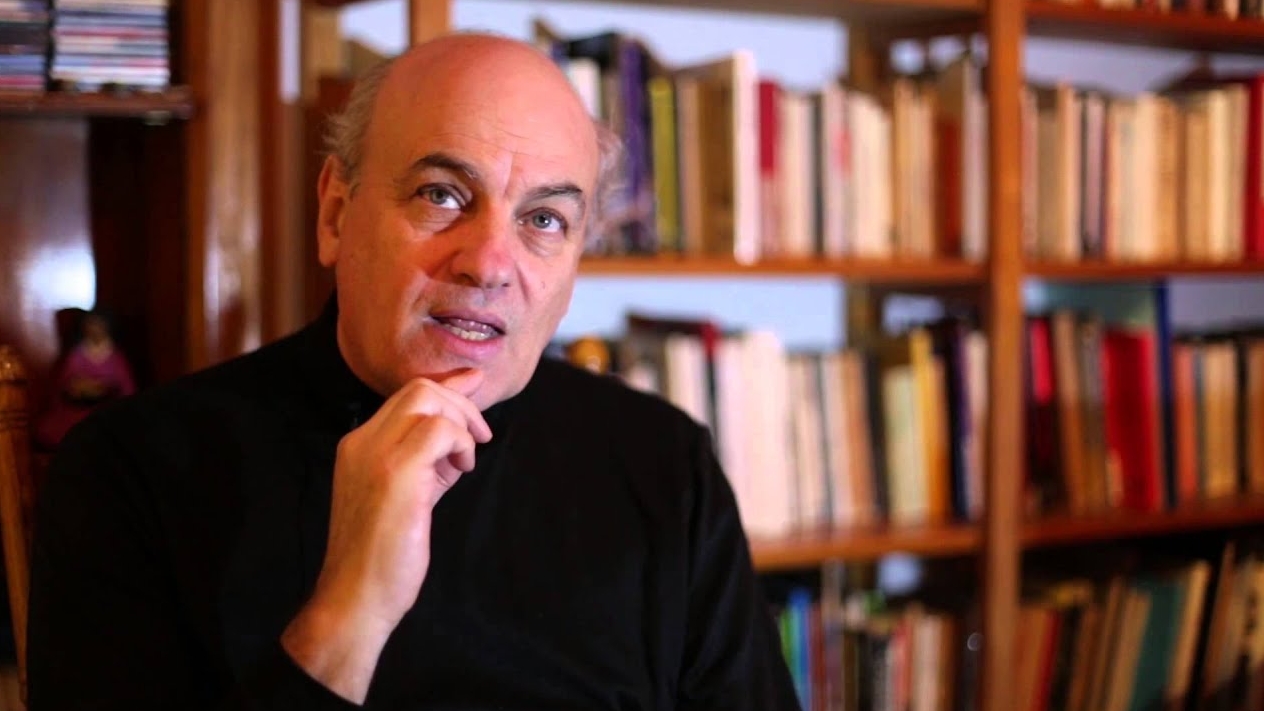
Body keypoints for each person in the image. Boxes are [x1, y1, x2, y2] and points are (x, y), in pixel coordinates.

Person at [26, 32, 798, 710]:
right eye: (442, 195)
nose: (488, 264)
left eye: (543, 219)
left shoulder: (664, 462)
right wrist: (351, 606)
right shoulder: (128, 470)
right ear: (336, 212)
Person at [33, 308, 137, 451]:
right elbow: (64, 383)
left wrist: (104, 388)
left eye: (99, 325)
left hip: (106, 408)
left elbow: (127, 387)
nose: (95, 330)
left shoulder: (116, 356)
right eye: (91, 325)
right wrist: (78, 387)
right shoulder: (77, 354)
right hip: (77, 408)